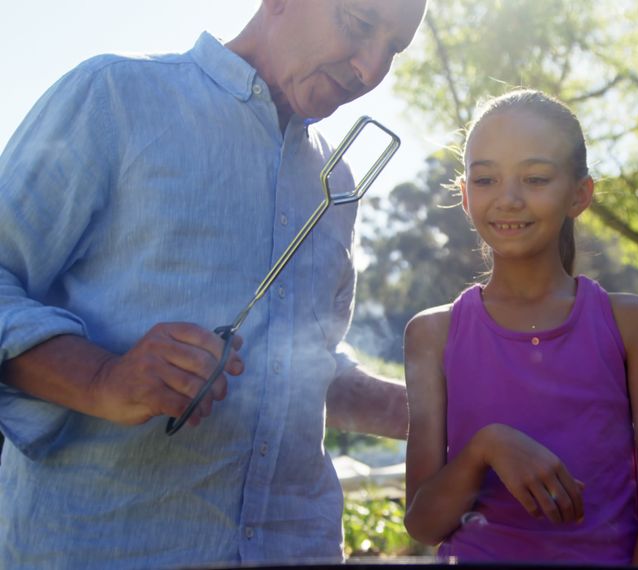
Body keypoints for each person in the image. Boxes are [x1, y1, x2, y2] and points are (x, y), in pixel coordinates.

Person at [0, 1, 426, 567]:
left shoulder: (338, 181)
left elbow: (302, 370)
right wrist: (101, 378)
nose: (371, 70)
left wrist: (436, 413)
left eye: (394, 50)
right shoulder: (115, 96)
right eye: (358, 24)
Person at [401, 89, 638, 566]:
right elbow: (424, 523)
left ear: (580, 194)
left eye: (535, 178)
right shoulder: (432, 335)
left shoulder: (631, 324)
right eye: (486, 178)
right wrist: (485, 449)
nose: (509, 199)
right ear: (465, 194)